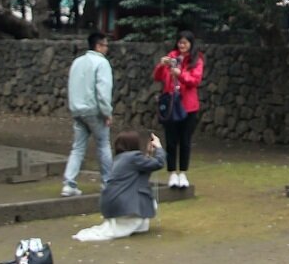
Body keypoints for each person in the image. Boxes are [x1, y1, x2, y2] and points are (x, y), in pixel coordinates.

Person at [73, 130, 166, 241]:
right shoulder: (134, 157)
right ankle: (131, 224)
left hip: (111, 202)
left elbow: (143, 170)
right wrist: (159, 147)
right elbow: (158, 163)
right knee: (149, 201)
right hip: (122, 202)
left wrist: (149, 154)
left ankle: (135, 225)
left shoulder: (120, 158)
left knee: (148, 200)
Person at [63, 32, 114, 197]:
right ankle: (108, 183)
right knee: (103, 144)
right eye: (105, 45)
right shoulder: (102, 63)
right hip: (95, 111)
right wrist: (107, 112)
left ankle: (69, 183)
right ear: (99, 46)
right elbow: (103, 90)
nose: (107, 48)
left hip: (77, 110)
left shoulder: (77, 62)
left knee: (77, 148)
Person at [152, 29, 204, 189]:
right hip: (171, 103)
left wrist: (180, 74)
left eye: (185, 42)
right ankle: (172, 173)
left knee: (185, 140)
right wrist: (161, 65)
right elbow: (157, 77)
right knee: (171, 140)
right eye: (180, 42)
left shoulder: (196, 59)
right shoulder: (172, 56)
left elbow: (195, 80)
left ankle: (183, 173)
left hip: (189, 106)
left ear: (191, 44)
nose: (182, 45)